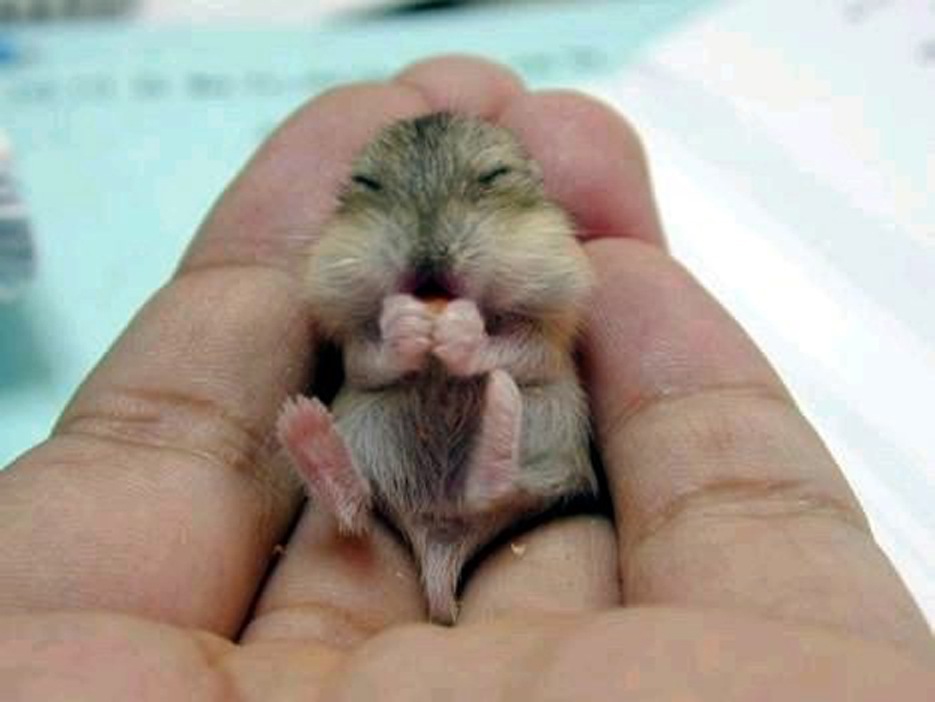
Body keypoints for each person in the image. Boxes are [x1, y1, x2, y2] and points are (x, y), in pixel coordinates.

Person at [0, 56, 931, 699]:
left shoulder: (552, 294)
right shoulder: (351, 299)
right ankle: (346, 491)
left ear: (539, 208)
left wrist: (492, 351)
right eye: (372, 200)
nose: (430, 239)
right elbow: (360, 361)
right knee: (358, 405)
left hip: (530, 484)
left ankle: (495, 481)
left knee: (540, 398)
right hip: (395, 473)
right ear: (348, 214)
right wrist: (386, 347)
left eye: (487, 188)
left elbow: (544, 347)